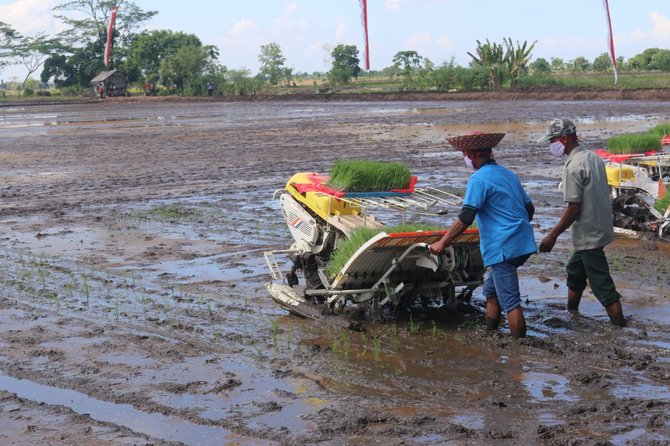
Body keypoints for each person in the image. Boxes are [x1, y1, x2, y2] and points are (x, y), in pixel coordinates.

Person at [429, 132, 537, 338]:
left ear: (473, 154)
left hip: (503, 246)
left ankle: (520, 350)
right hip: (523, 243)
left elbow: (466, 217)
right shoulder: (508, 174)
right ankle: (491, 333)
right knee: (491, 291)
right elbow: (529, 208)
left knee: (511, 302)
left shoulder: (478, 179)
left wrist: (442, 243)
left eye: (465, 155)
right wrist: (515, 226)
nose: (466, 159)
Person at [537, 118, 625, 327]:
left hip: (588, 233)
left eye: (553, 140)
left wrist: (552, 235)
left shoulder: (573, 166)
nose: (552, 145)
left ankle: (620, 327)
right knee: (575, 271)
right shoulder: (593, 157)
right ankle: (572, 312)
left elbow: (574, 208)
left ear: (565, 139)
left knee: (602, 285)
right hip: (601, 226)